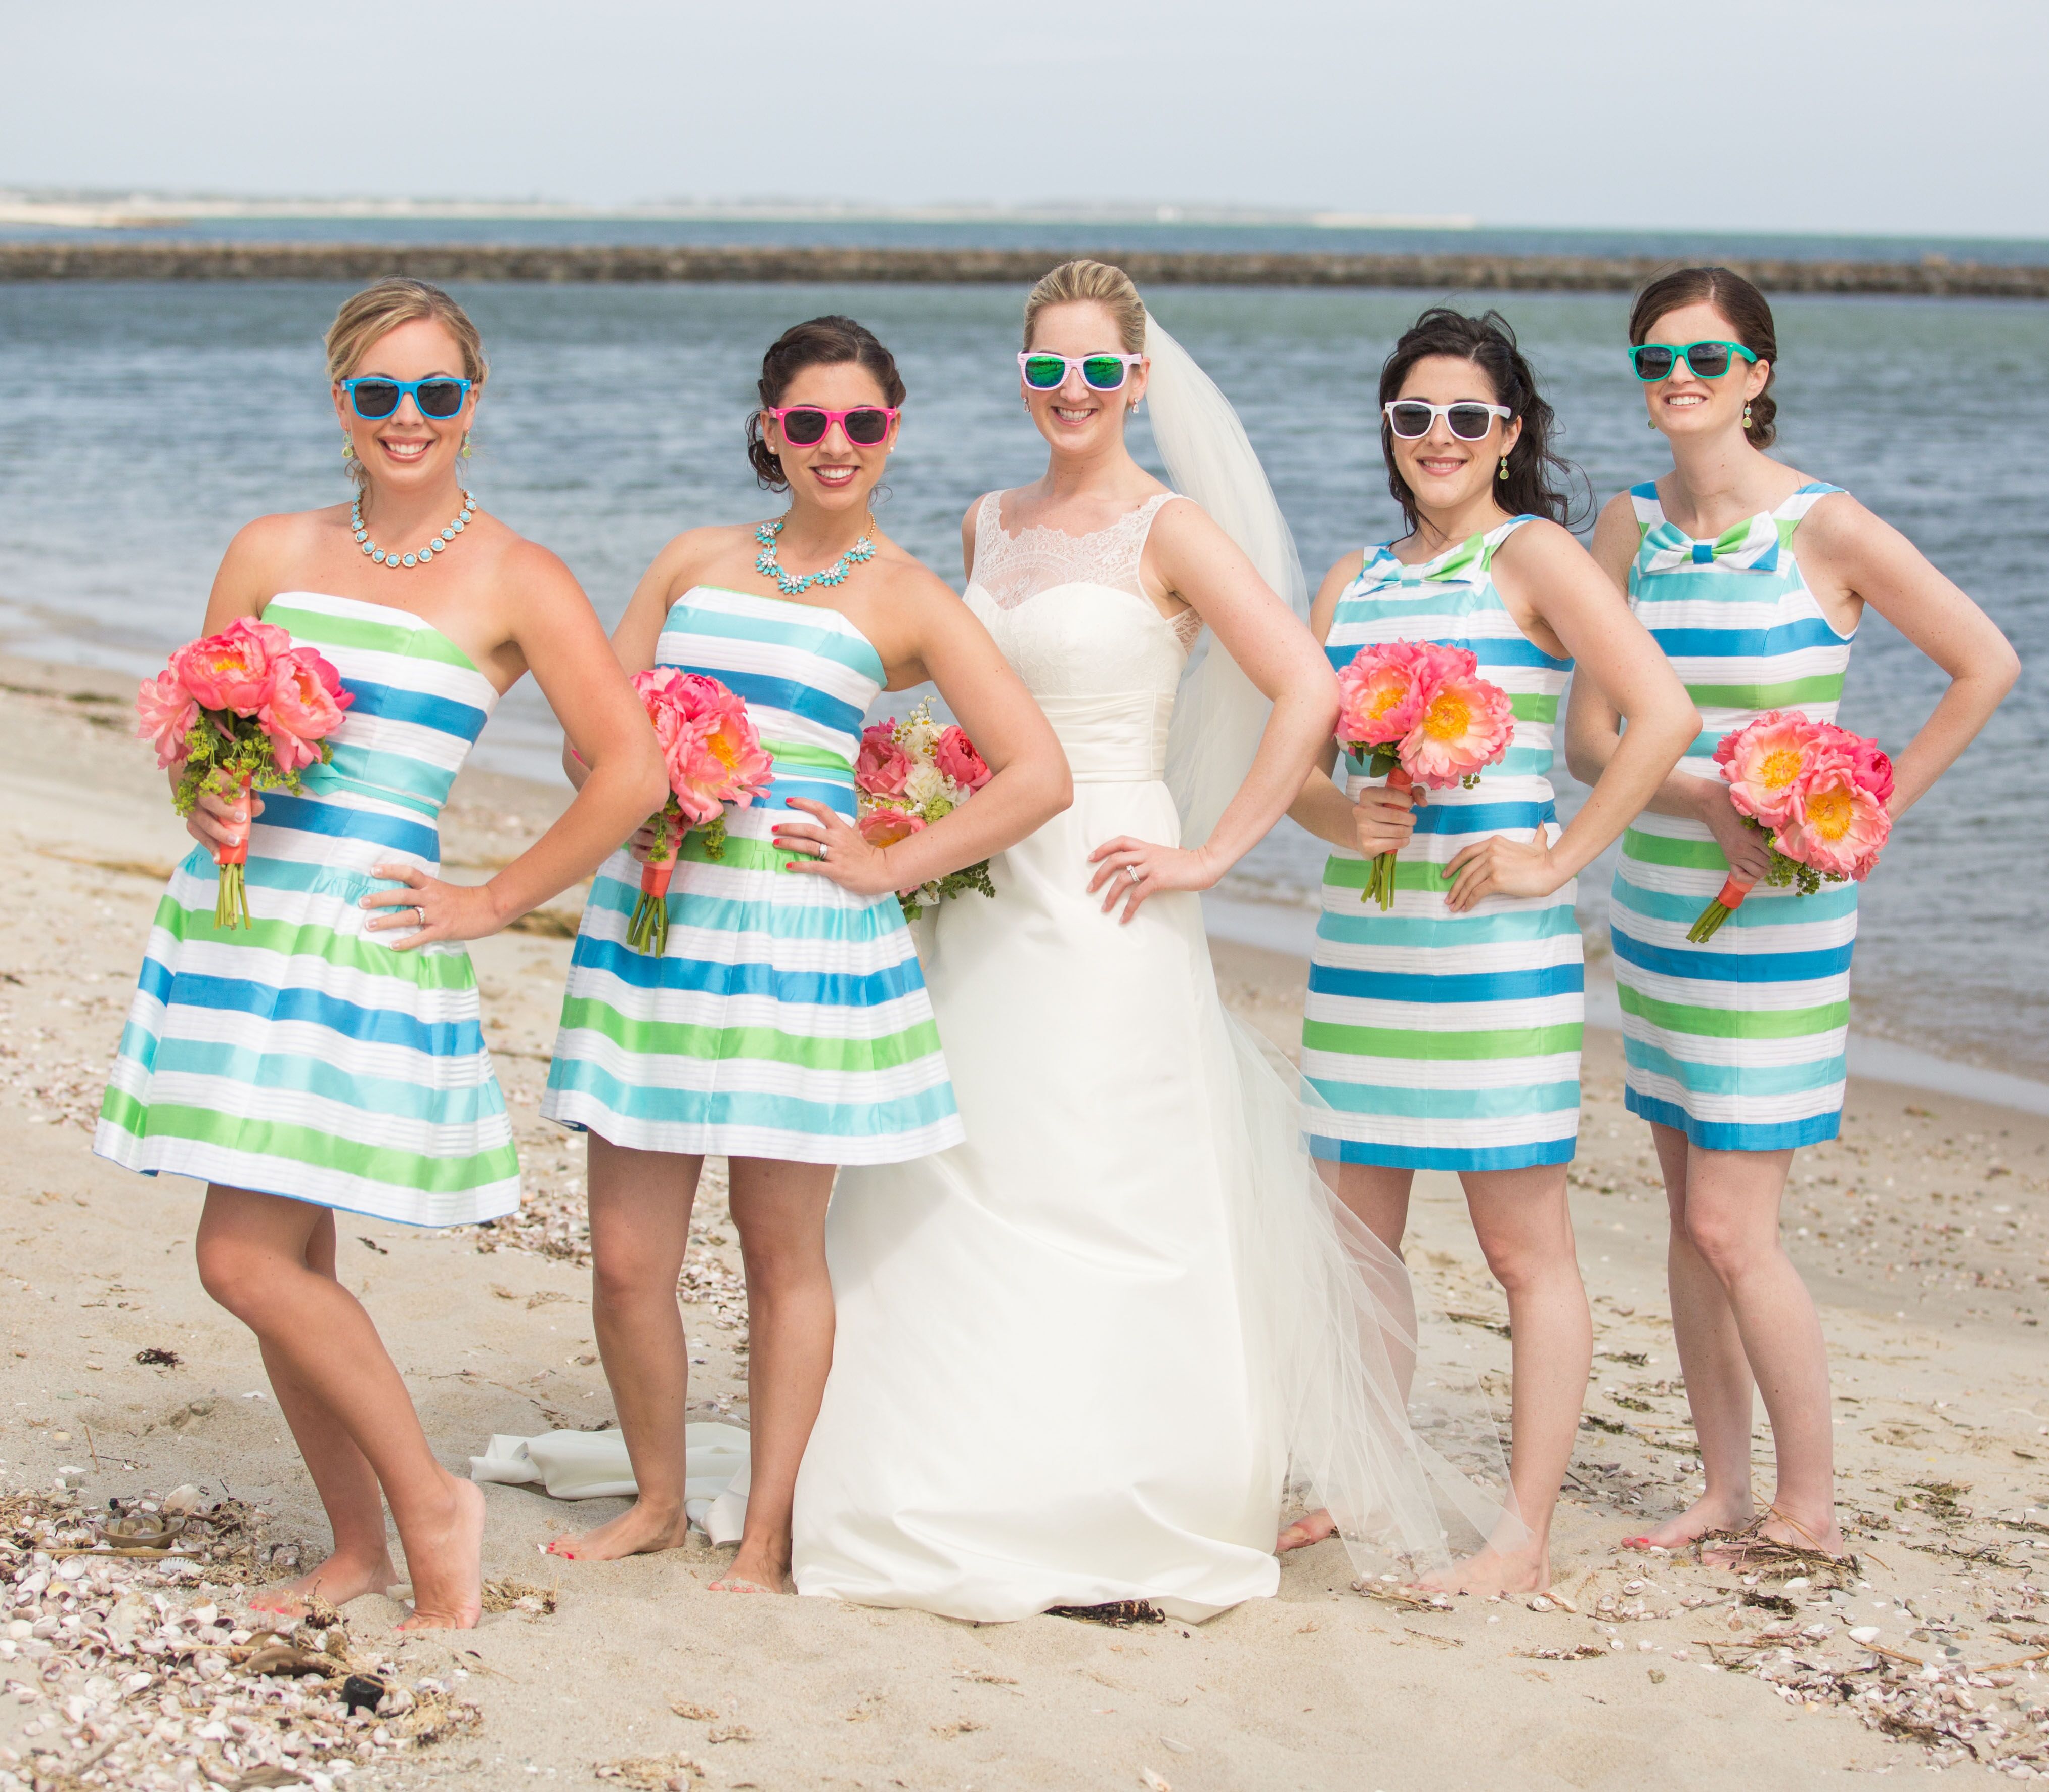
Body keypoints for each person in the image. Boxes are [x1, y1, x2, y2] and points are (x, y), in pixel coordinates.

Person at [793, 261, 1514, 1622]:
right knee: (961, 1167)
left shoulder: (1168, 530)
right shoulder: (982, 522)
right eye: (1047, 370)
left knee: (1110, 1173)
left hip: (1119, 882)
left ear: (1136, 380)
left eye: (1097, 371)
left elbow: (1303, 686)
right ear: (1023, 378)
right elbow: (947, 683)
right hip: (986, 880)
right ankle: (952, 1467)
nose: (1073, 393)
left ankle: (1131, 1481)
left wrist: (1213, 851)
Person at [94, 277, 668, 1629]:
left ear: (476, 403)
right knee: (290, 1264)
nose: (407, 419)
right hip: (239, 930)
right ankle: (356, 1548)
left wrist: (493, 898)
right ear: (339, 400)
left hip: (363, 947)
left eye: (437, 394)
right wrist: (206, 798)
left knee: (238, 1263)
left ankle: (430, 1503)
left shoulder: (519, 576)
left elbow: (630, 771)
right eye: (377, 394)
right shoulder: (268, 549)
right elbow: (196, 737)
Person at [540, 316, 1068, 1595]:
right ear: (769, 427)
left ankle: (768, 1528)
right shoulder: (688, 559)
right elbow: (587, 740)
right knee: (624, 1260)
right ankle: (659, 1496)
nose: (837, 446)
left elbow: (1038, 771)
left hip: (802, 944)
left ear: (893, 434)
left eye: (864, 424)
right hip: (658, 923)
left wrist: (888, 864)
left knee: (780, 1250)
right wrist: (648, 784)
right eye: (810, 421)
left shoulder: (908, 598)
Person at [1576, 267, 2019, 1554]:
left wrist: (1861, 817)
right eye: (1654, 359)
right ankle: (1719, 1488)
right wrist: (1707, 789)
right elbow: (1586, 738)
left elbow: (1982, 662)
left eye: (1705, 361)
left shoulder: (1823, 528)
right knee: (1680, 1212)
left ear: (1757, 375)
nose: (1678, 381)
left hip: (1779, 920)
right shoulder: (1624, 527)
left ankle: (1808, 1508)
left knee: (1730, 1221)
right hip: (1657, 900)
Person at [1283, 307, 1698, 1592]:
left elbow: (1663, 713)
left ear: (1510, 432)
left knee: (1526, 1253)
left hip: (1494, 957)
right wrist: (1343, 812)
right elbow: (1295, 767)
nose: (1439, 438)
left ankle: (1519, 1533)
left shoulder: (1538, 559)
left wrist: (1560, 856)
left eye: (1468, 416)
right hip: (1365, 946)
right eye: (1415, 416)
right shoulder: (1351, 578)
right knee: (1356, 1248)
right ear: (1389, 432)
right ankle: (1360, 1479)